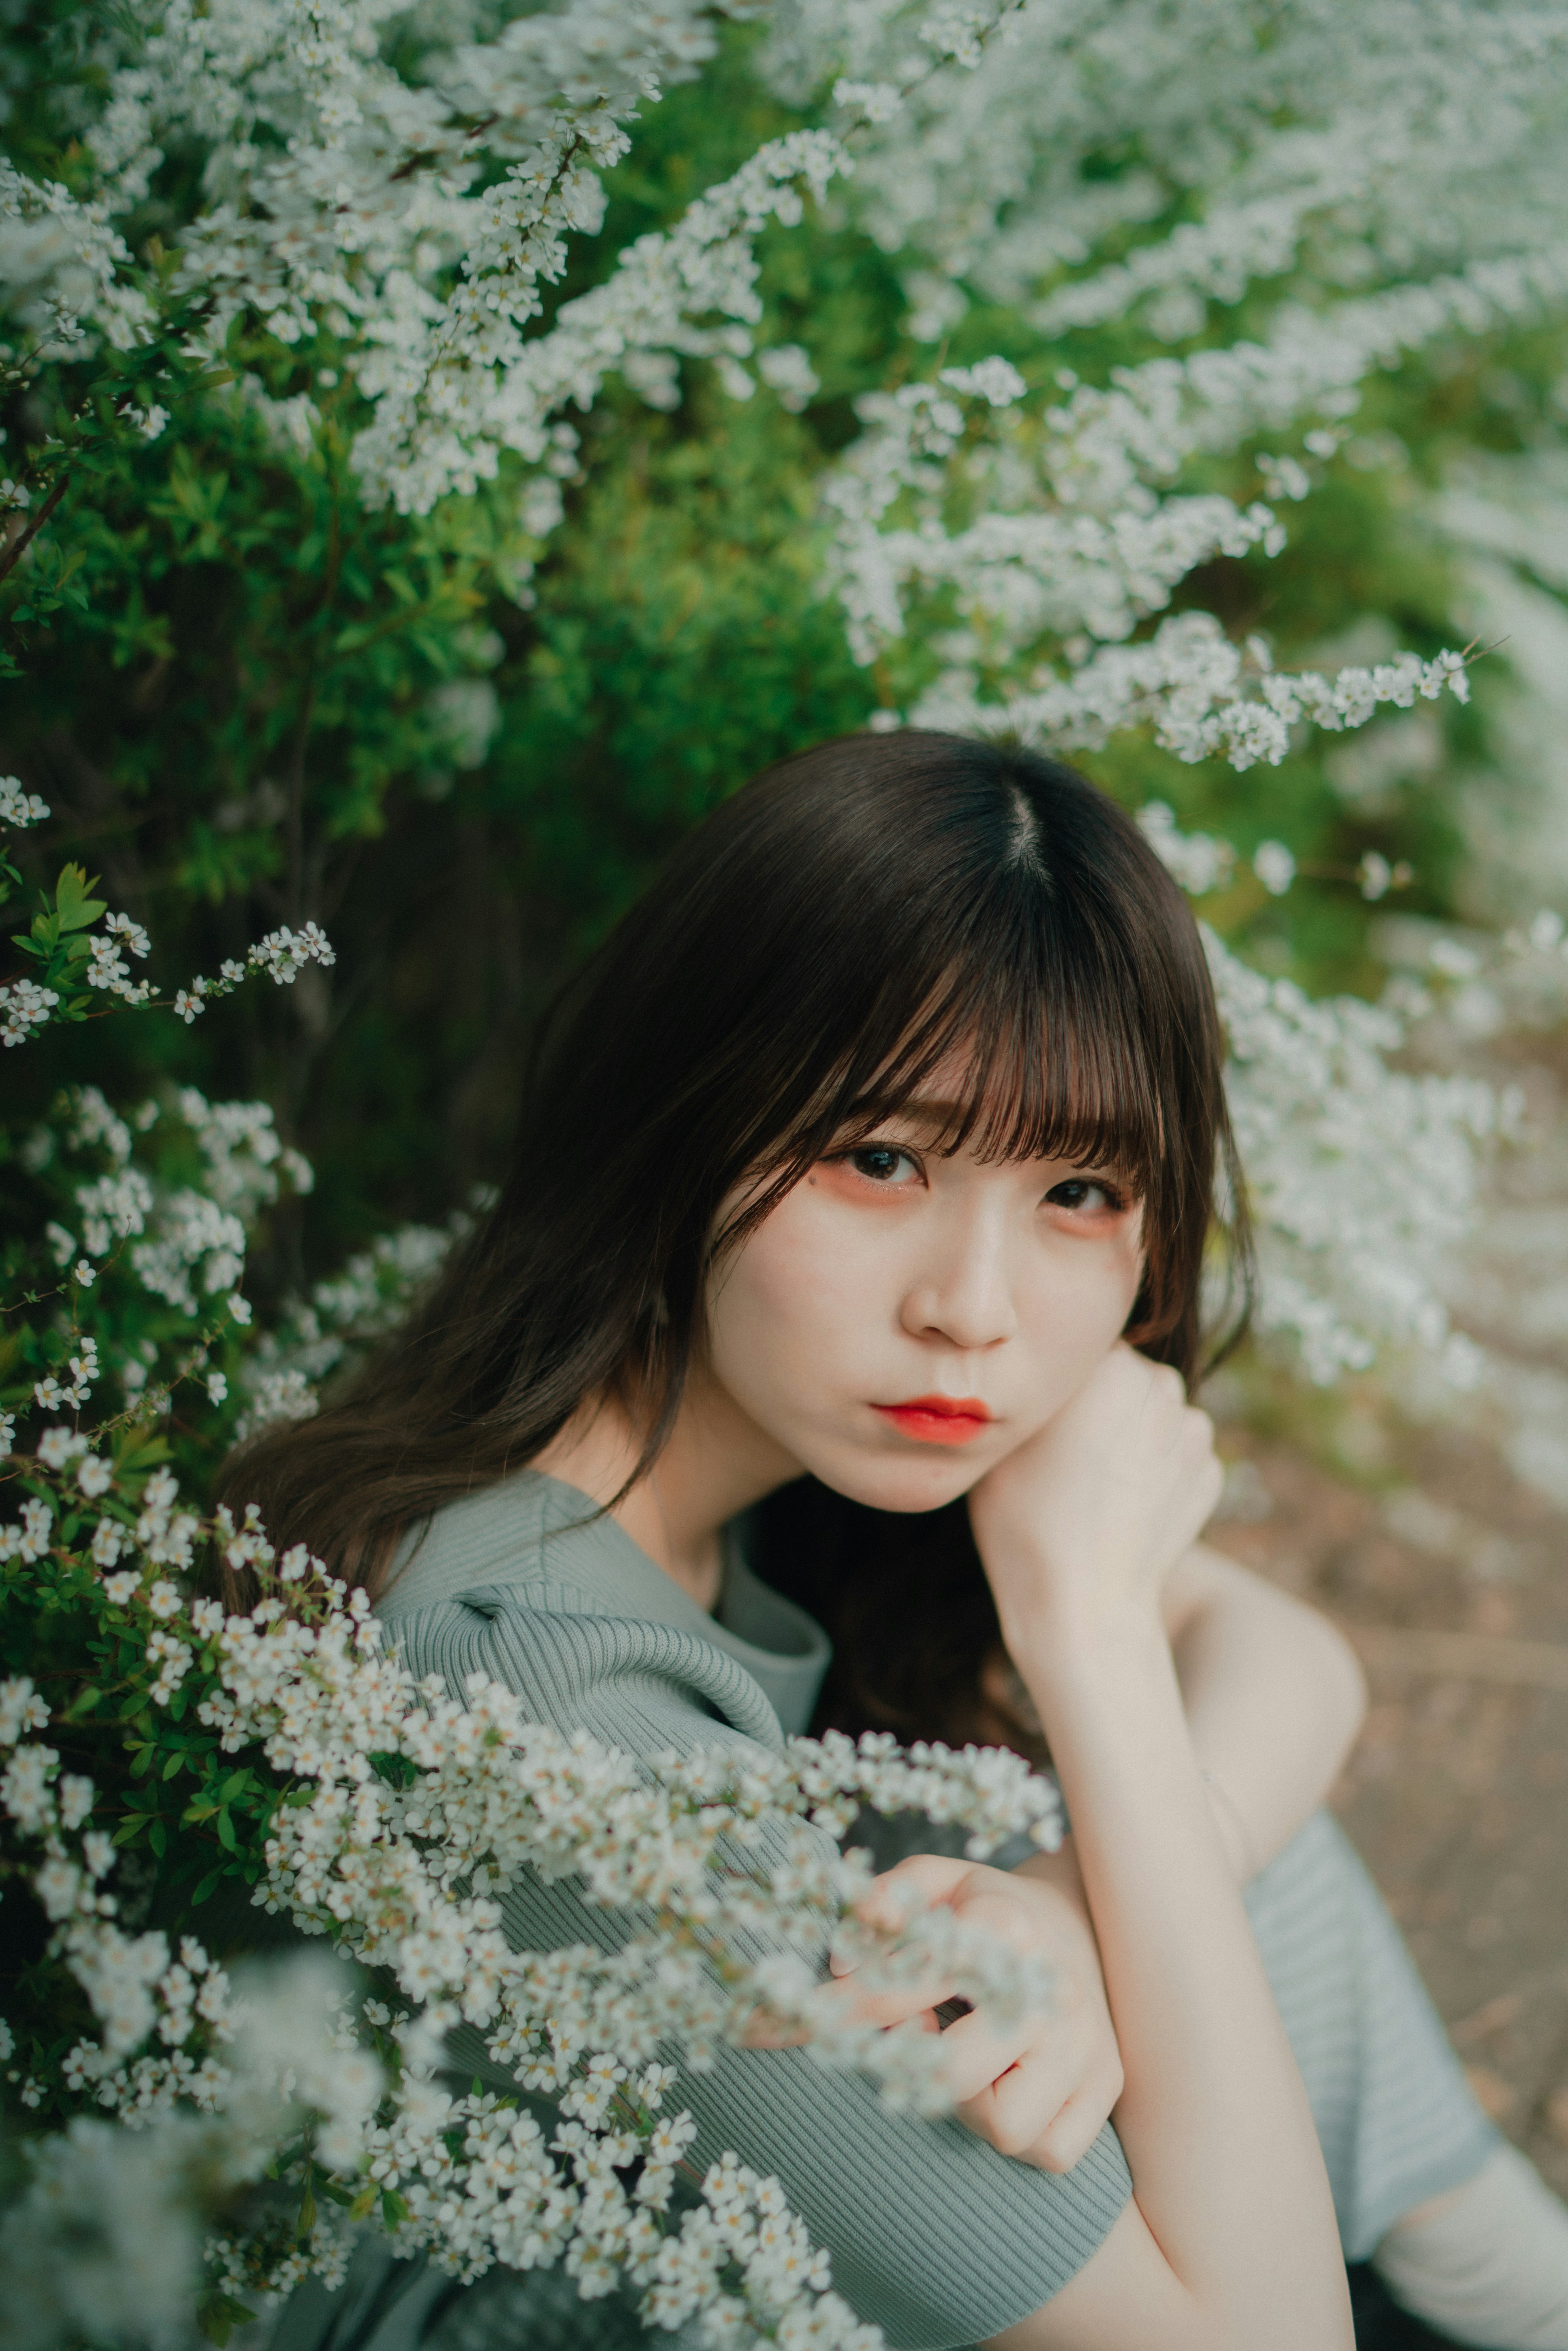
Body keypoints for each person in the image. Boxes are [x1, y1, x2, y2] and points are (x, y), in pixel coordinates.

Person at [239, 732, 1568, 2351]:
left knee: (1176, 1852)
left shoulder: (757, 1452)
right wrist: (1088, 1628)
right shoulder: (536, 1684)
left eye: (1080, 1190)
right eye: (881, 1159)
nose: (975, 1311)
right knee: (1145, 1810)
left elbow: (1292, 1658)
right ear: (684, 1121)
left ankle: (1498, 2272)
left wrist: (1081, 1901)